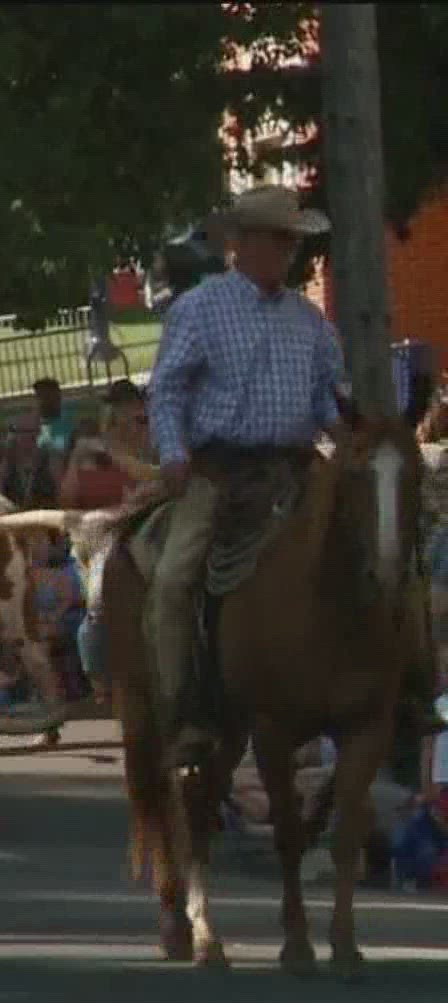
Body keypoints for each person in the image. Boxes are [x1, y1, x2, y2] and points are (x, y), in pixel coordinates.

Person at [143, 183, 351, 769]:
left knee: (368, 551)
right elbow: (167, 392)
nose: (288, 254)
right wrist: (173, 453)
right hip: (219, 473)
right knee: (172, 581)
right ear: (243, 243)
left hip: (295, 469)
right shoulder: (199, 307)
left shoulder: (310, 322)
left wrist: (353, 442)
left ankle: (397, 689)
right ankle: (181, 710)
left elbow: (328, 404)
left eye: (293, 243)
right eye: (278, 241)